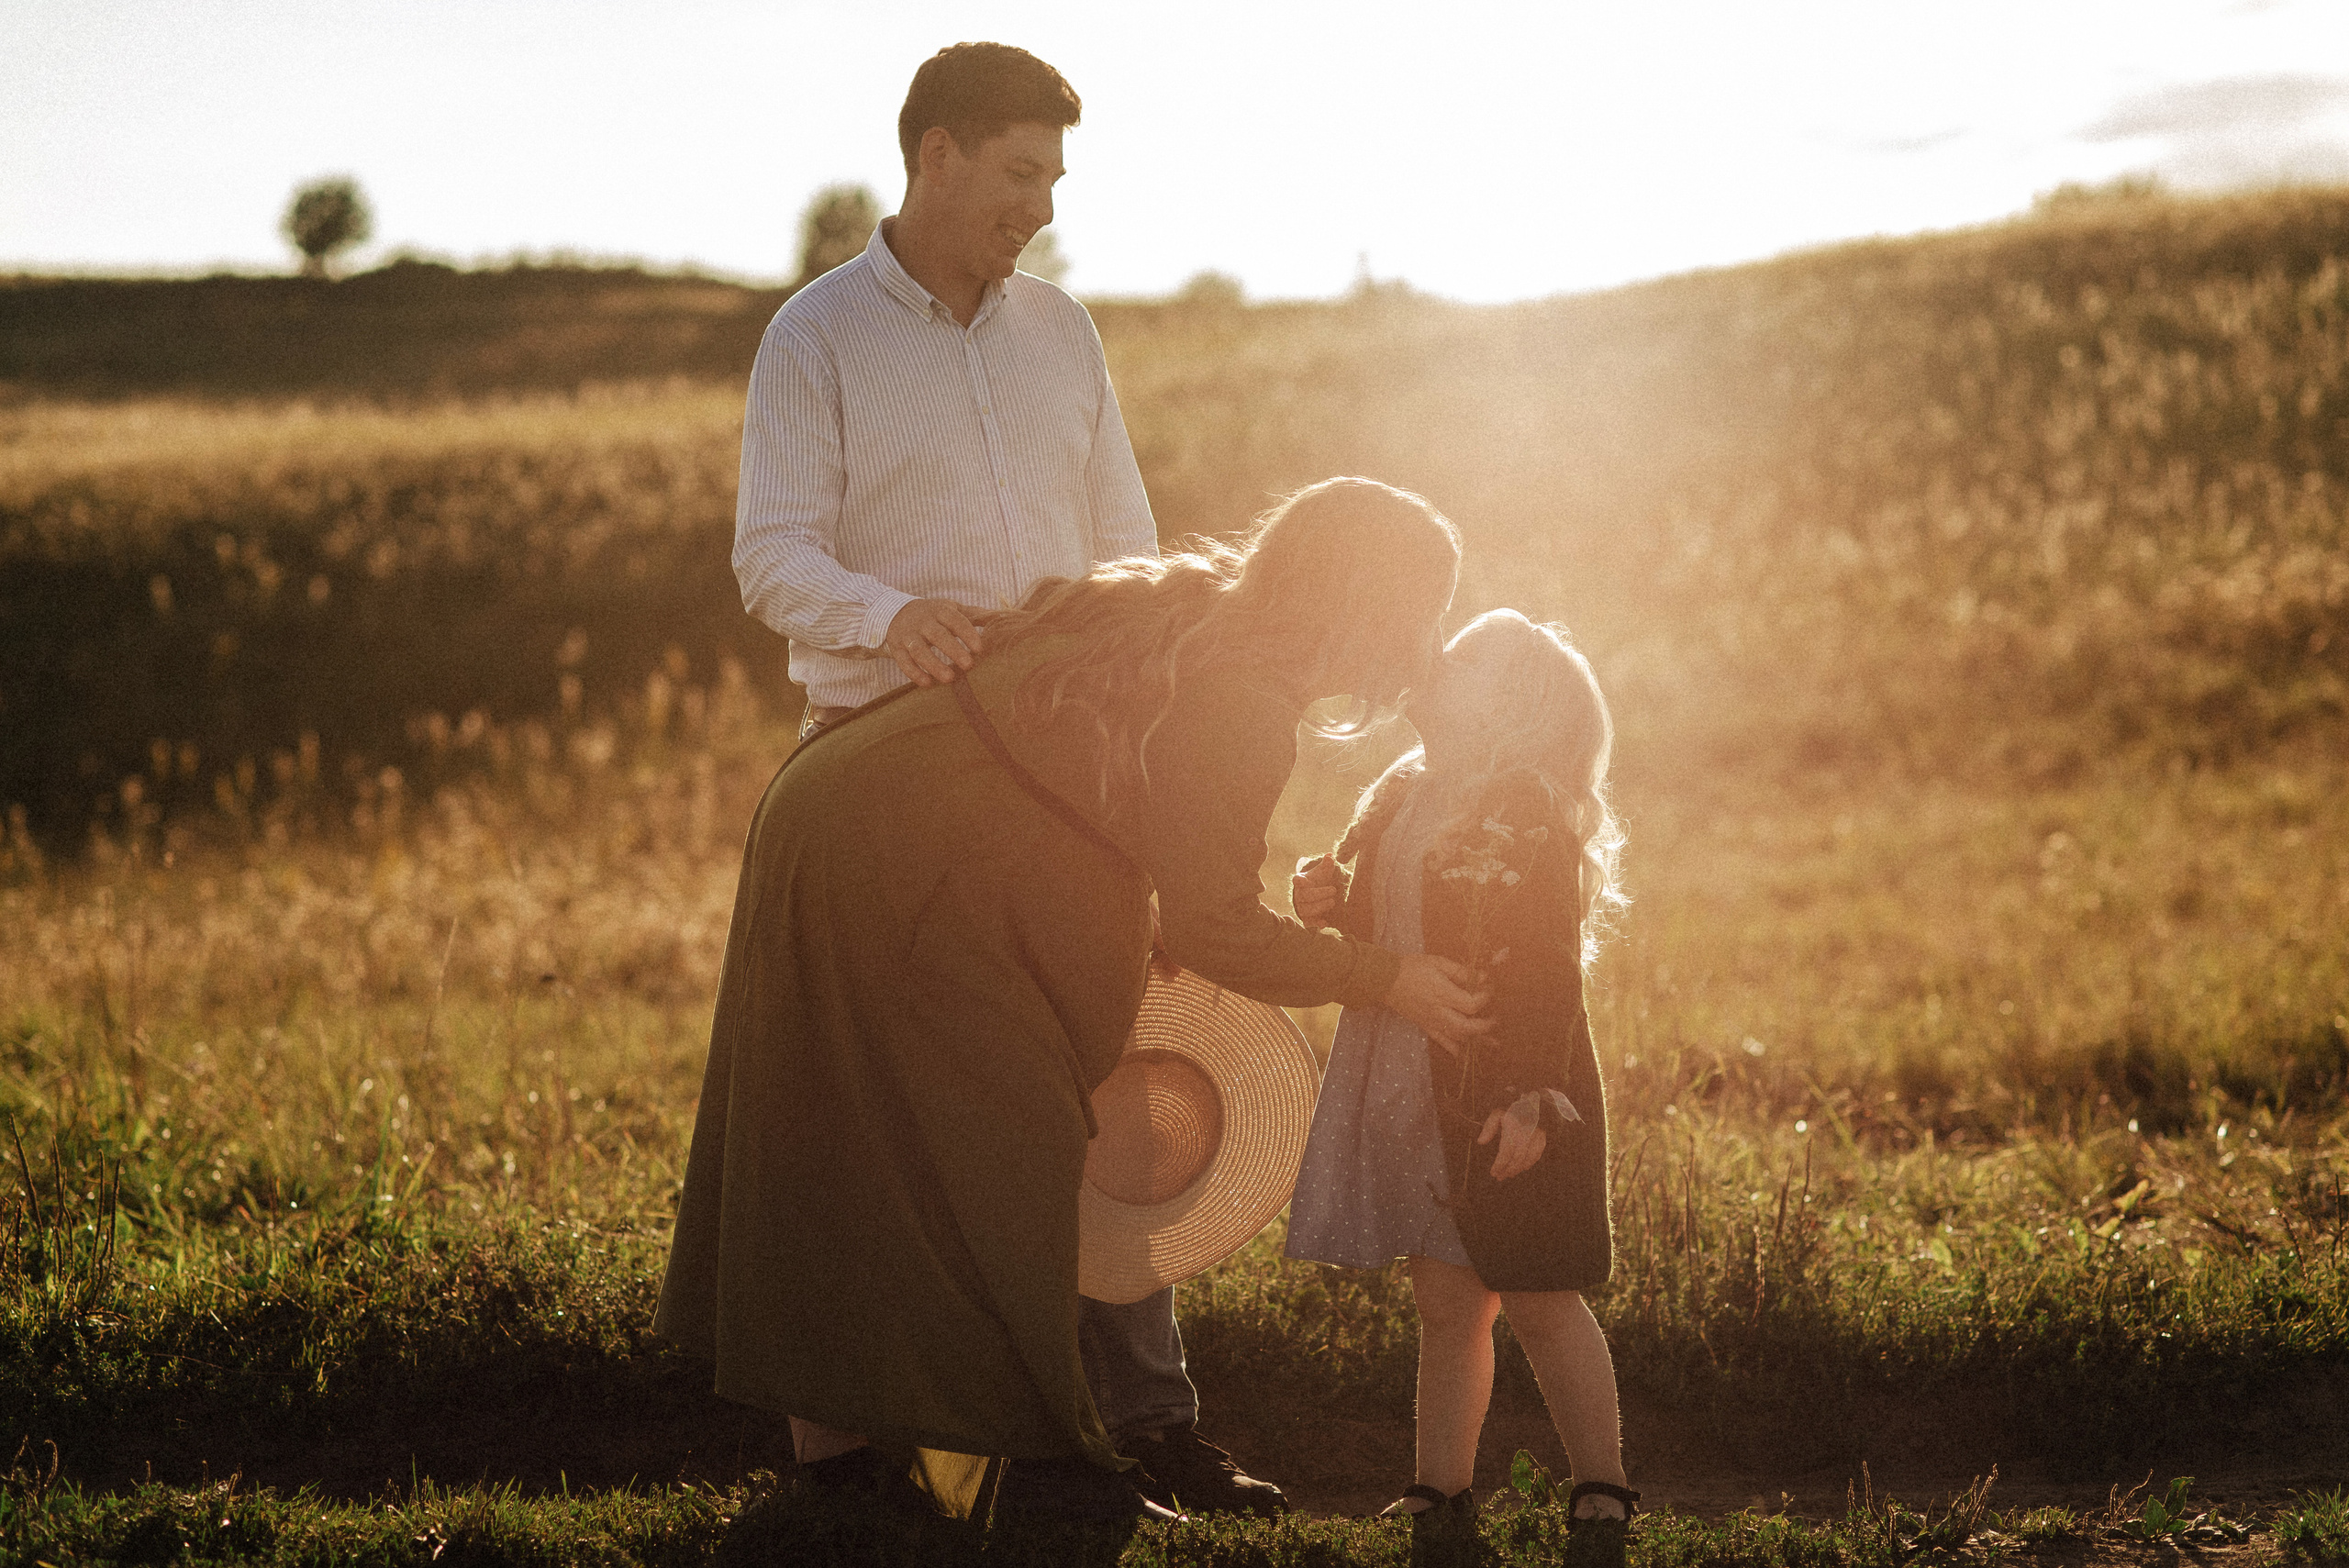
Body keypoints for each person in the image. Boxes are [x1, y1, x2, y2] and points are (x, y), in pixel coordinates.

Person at [656, 478, 1493, 1535]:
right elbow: (1215, 928)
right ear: (1377, 611)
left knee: (839, 1143)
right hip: (908, 857)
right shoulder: (1243, 694)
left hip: (836, 805)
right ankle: (1028, 1466)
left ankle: (851, 1477)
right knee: (1014, 1151)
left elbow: (1105, 794)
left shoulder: (1187, 603)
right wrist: (1389, 975)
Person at [719, 40, 1276, 1513]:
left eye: (1054, 179)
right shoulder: (817, 337)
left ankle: (1149, 1428)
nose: (1038, 205)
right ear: (935, 156)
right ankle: (862, 1461)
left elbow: (1131, 555)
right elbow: (769, 553)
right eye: (1018, 173)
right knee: (867, 1115)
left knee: (1099, 1084)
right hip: (880, 773)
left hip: (1066, 780)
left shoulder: (1064, 336)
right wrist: (886, 617)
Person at [1287, 609, 1638, 1567]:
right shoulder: (1402, 790)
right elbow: (1388, 921)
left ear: (1513, 704)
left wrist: (1532, 1091)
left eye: (1465, 657)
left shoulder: (1517, 805)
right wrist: (1327, 901)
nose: (1434, 660)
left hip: (1504, 1080)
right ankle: (1437, 1486)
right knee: (1448, 1300)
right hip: (1412, 1076)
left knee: (1536, 1293)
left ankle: (1600, 1483)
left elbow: (1544, 963)